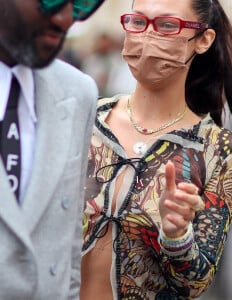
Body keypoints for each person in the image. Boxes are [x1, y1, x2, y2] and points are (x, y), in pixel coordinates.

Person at [81, 0, 232, 299]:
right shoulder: (84, 119)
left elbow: (194, 285)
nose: (147, 37)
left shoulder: (220, 149)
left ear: (203, 40)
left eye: (168, 25)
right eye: (138, 22)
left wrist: (177, 234)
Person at [0, 0, 106, 299]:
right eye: (50, 0)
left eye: (83, 3)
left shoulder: (77, 92)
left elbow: (67, 244)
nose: (66, 18)